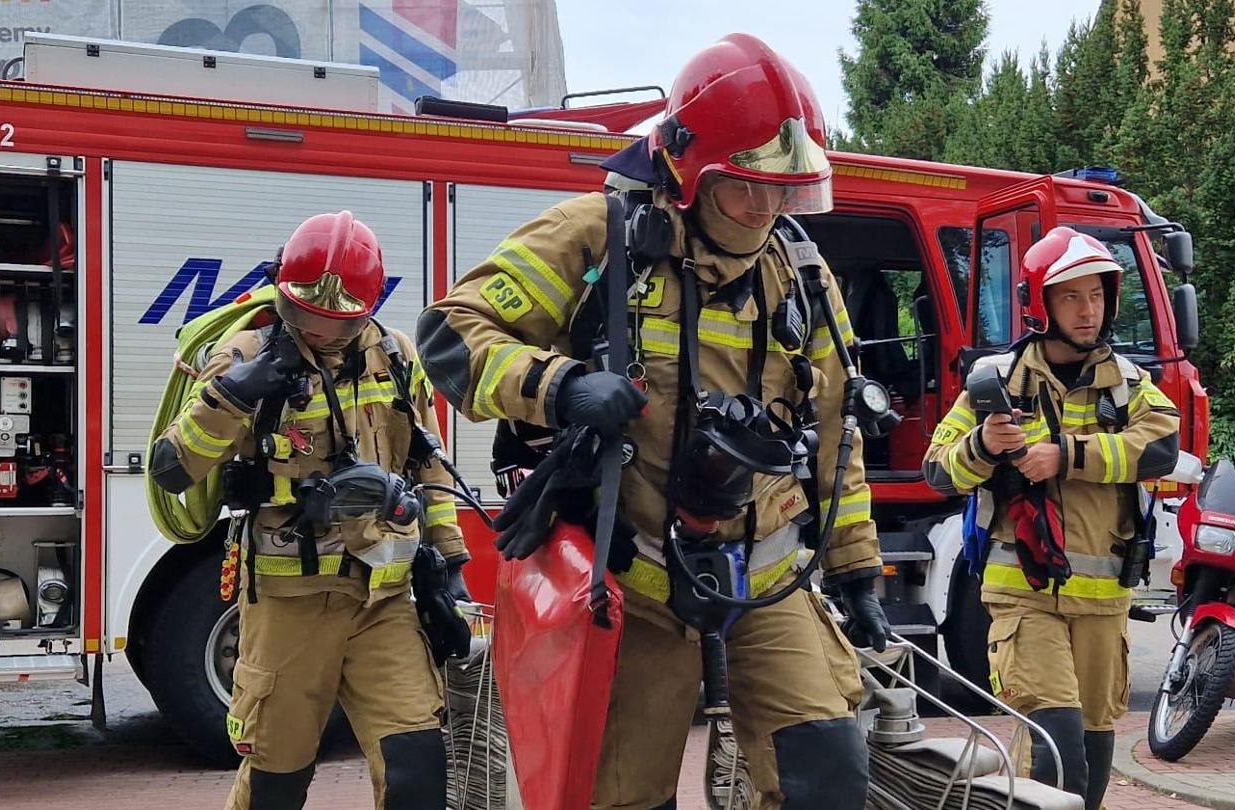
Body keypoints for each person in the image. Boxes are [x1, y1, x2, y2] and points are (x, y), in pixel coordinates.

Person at [418, 33, 888, 810]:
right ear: (690, 172)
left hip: (768, 575)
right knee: (622, 798)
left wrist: (854, 565)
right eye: (745, 188)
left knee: (826, 774)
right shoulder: (597, 236)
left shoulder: (801, 274)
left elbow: (838, 431)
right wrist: (559, 384)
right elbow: (450, 333)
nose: (766, 209)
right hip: (636, 583)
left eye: (783, 191)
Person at [150, 211, 472, 810]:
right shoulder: (247, 353)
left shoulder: (395, 355)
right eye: (308, 315)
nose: (322, 329)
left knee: (418, 771)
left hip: (385, 600)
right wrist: (233, 394)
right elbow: (173, 469)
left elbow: (429, 465)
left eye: (339, 320)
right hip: (289, 606)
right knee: (277, 782)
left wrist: (451, 565)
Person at [923, 227, 1181, 810]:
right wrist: (985, 446)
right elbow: (938, 471)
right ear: (1039, 304)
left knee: (1092, 754)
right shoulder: (995, 384)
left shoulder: (1132, 385)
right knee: (1055, 741)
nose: (1087, 311)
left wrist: (1066, 455)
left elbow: (1162, 447)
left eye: (1096, 296)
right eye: (1070, 297)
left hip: (1104, 599)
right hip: (1024, 594)